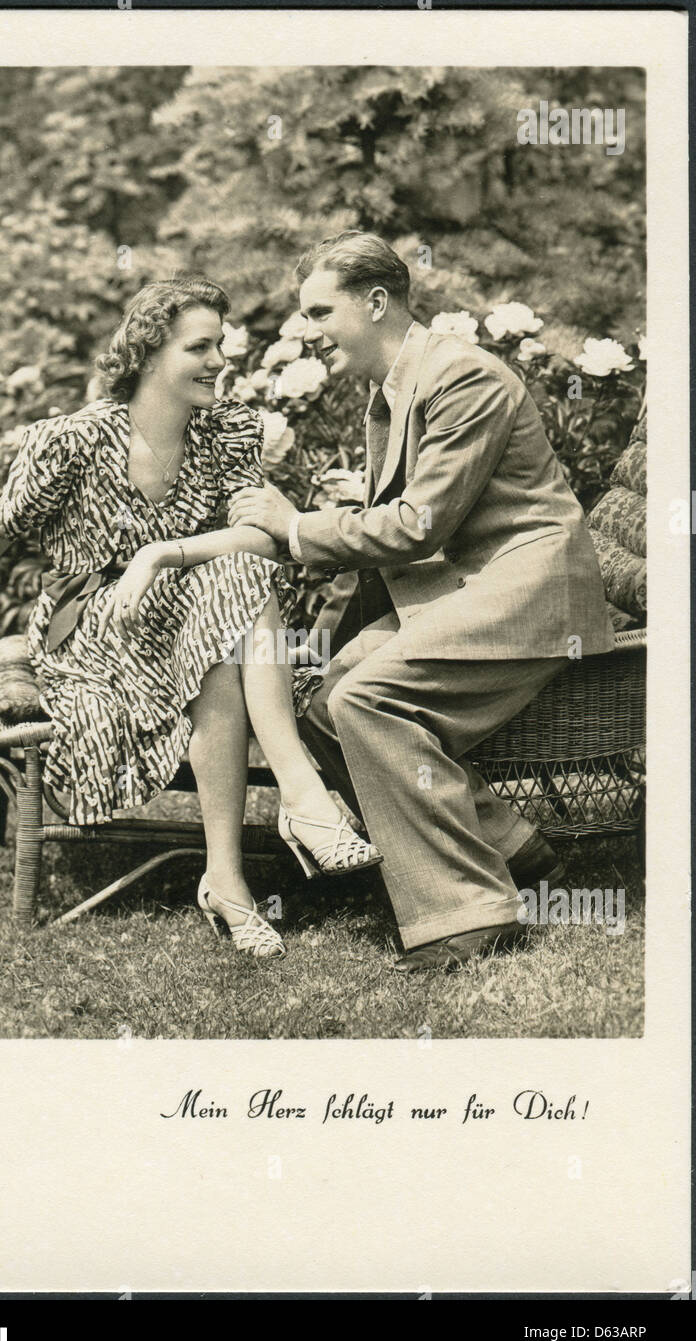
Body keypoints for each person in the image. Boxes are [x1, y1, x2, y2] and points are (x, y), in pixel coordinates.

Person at [0, 275, 381, 960]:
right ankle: (301, 803)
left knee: (233, 584)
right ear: (149, 355)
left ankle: (230, 875)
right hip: (94, 636)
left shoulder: (226, 431)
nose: (220, 361)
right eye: (200, 347)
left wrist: (162, 553)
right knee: (228, 605)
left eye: (222, 345)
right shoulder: (72, 440)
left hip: (193, 621)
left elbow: (263, 536)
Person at [228, 232, 615, 971]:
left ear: (376, 303)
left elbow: (417, 525)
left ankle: (471, 912)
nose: (307, 334)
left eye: (319, 312)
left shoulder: (463, 375)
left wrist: (296, 527)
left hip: (530, 592)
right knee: (322, 702)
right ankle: (511, 845)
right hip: (470, 585)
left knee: (366, 701)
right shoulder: (394, 388)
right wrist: (325, 618)